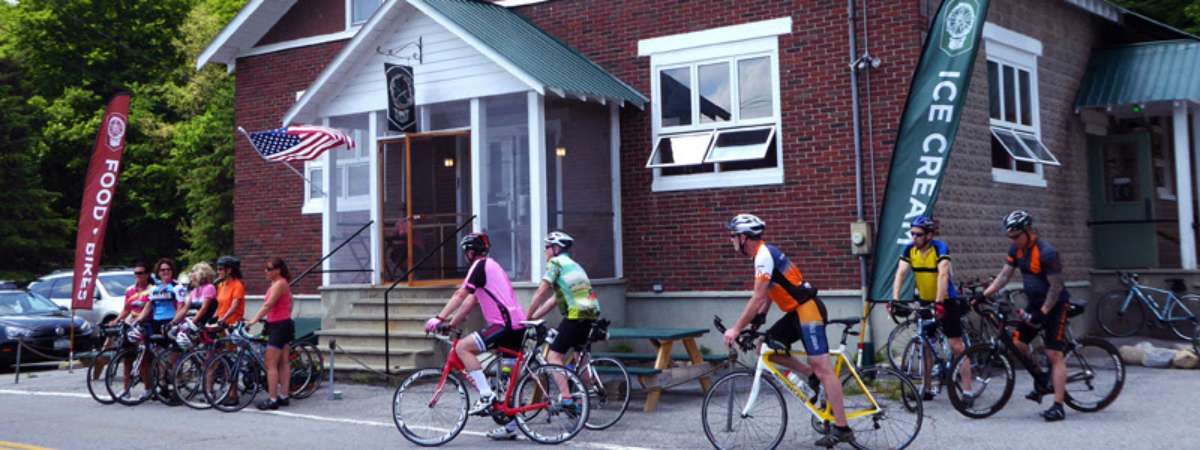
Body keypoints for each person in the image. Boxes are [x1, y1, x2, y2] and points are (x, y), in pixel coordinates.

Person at [719, 214, 853, 447]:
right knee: (765, 346)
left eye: (733, 235)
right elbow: (771, 292)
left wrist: (736, 329)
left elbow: (758, 295)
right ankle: (810, 376)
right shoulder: (764, 254)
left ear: (744, 237)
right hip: (796, 312)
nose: (731, 240)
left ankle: (843, 428)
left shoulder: (763, 256)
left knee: (823, 367)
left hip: (808, 310)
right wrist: (757, 323)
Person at [422, 233, 527, 440]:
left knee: (462, 348)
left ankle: (485, 395)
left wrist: (438, 317)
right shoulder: (491, 266)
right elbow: (471, 301)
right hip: (517, 325)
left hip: (503, 325)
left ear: (470, 252)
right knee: (505, 380)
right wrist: (451, 324)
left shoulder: (479, 266)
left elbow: (460, 295)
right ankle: (510, 425)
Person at [982, 210, 1071, 422]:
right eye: (1010, 237)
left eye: (1015, 236)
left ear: (1028, 231)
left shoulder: (1047, 252)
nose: (1013, 240)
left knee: (1054, 354)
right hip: (1035, 304)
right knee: (1019, 343)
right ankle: (1041, 378)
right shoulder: (1017, 249)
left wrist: (1043, 313)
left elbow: (1056, 287)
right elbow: (1004, 275)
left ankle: (1058, 406)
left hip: (1055, 305)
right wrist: (982, 295)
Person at [891, 216, 973, 402]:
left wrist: (939, 302)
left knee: (956, 346)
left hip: (946, 301)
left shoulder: (940, 248)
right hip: (925, 302)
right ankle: (926, 388)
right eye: (912, 233)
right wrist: (895, 298)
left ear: (929, 235)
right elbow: (901, 272)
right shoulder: (910, 250)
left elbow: (943, 275)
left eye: (918, 234)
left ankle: (968, 390)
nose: (914, 237)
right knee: (926, 346)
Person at [524, 231, 598, 424]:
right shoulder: (574, 266)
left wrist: (526, 315)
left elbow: (541, 292)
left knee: (553, 356)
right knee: (579, 358)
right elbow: (553, 301)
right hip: (591, 315)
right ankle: (583, 401)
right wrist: (531, 317)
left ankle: (566, 398)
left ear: (556, 249)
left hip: (576, 315)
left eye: (547, 248)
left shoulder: (555, 264)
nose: (545, 252)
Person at [248, 257, 295, 410]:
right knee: (283, 361)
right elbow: (290, 302)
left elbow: (268, 304)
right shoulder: (279, 284)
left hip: (279, 325)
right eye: (266, 268)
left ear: (278, 270)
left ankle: (273, 399)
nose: (265, 271)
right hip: (282, 323)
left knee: (271, 363)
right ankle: (284, 395)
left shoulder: (279, 284)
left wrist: (253, 320)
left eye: (269, 269)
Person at [135, 258, 188, 336]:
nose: (165, 271)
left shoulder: (177, 287)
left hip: (171, 321)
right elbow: (148, 307)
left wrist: (173, 323)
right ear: (158, 272)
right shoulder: (154, 288)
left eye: (168, 269)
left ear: (172, 271)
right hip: (156, 321)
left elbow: (180, 307)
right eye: (162, 270)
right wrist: (137, 321)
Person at [179, 262, 217, 326]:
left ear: (202, 274)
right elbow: (184, 309)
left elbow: (204, 308)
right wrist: (173, 323)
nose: (190, 274)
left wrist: (192, 323)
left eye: (193, 272)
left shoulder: (209, 287)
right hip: (193, 323)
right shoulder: (194, 290)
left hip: (204, 325)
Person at [214, 256, 246, 327]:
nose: (218, 272)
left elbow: (234, 307)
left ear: (229, 270)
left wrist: (223, 319)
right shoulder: (221, 285)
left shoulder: (238, 285)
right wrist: (214, 317)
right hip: (221, 324)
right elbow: (220, 306)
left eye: (220, 269)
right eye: (217, 269)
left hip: (233, 325)